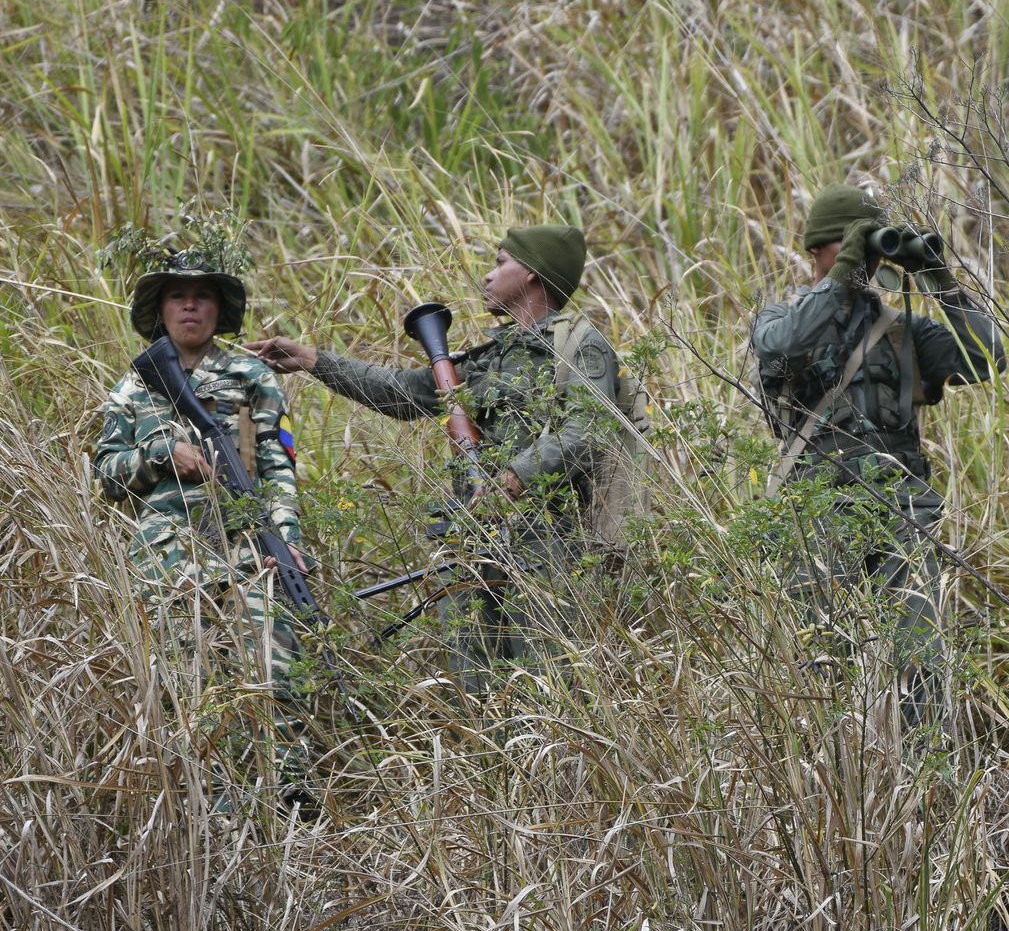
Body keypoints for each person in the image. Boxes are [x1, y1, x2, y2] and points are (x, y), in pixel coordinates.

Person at [248, 225, 619, 689]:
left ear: (532, 275)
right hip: (471, 543)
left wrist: (514, 478)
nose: (487, 275)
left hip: (547, 547)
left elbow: (588, 427)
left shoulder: (579, 345)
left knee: (547, 684)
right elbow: (401, 393)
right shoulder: (489, 357)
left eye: (501, 262)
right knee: (475, 686)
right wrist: (313, 360)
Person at [750, 183, 1003, 726]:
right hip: (815, 507)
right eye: (845, 247)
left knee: (920, 660)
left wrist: (942, 281)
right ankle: (835, 786)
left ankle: (926, 785)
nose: (862, 260)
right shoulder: (780, 317)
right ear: (819, 251)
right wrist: (843, 275)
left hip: (902, 505)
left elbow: (987, 358)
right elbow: (782, 348)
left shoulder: (901, 329)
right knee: (824, 665)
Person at [92, 239, 309, 782]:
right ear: (161, 310)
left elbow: (277, 466)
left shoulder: (252, 376)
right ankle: (215, 812)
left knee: (273, 671)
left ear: (219, 309)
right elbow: (106, 475)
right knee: (192, 688)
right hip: (166, 559)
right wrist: (162, 455)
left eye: (203, 296)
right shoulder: (133, 387)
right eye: (178, 296)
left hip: (246, 546)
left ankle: (286, 799)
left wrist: (284, 539)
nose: (190, 306)